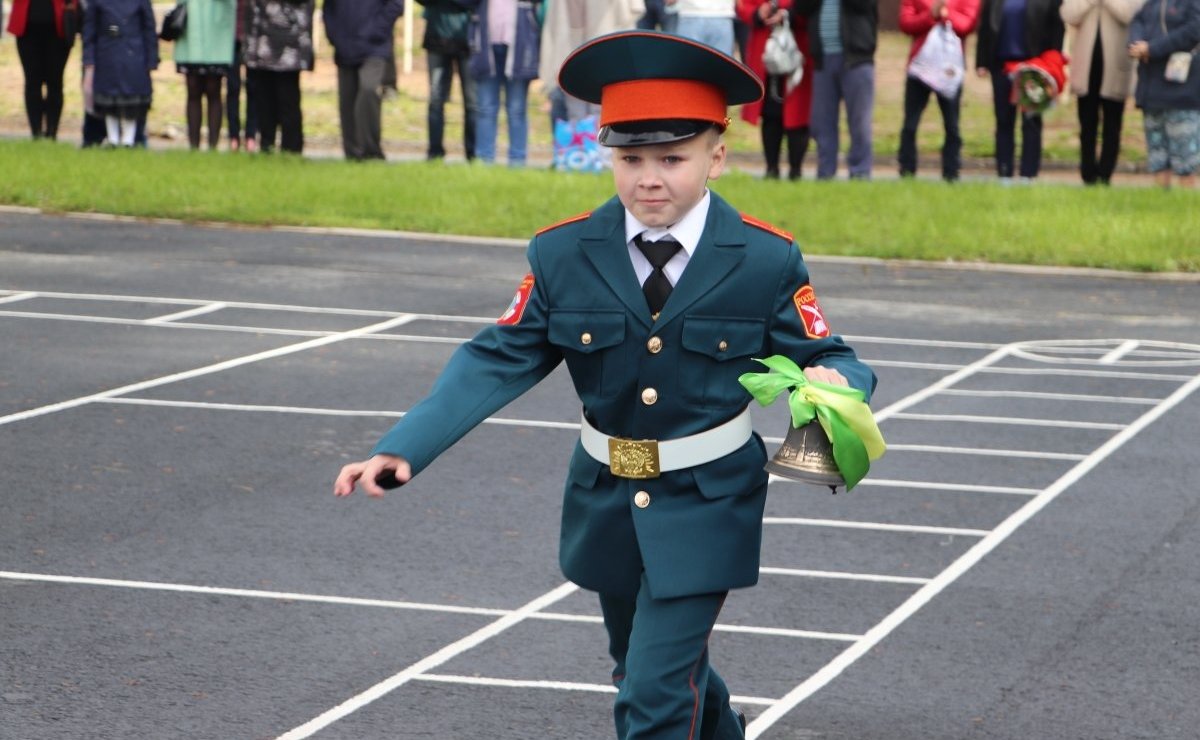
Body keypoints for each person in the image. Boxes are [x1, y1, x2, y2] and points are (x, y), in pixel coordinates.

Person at [333, 30, 877, 740]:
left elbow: (828, 349)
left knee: (650, 696)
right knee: (645, 670)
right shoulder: (563, 252)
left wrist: (837, 382)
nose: (650, 178)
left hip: (708, 501)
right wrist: (405, 446)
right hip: (609, 496)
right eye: (630, 158)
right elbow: (500, 355)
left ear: (718, 153)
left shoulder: (763, 260)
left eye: (673, 158)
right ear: (605, 152)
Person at [974, 0, 1064, 181]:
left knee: (1031, 122)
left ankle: (1028, 175)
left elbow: (1057, 29)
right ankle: (1004, 173)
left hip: (1034, 67)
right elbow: (985, 28)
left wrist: (1052, 62)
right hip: (1002, 67)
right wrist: (981, 61)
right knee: (1004, 120)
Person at [795, 0, 879, 179]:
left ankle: (860, 173)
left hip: (857, 59)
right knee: (822, 123)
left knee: (859, 122)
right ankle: (825, 173)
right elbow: (801, 8)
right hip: (823, 60)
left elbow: (864, 5)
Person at [897, 0, 980, 182]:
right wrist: (930, 16)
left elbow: (967, 24)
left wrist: (946, 13)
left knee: (952, 125)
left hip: (949, 70)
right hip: (920, 68)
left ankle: (951, 173)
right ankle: (906, 171)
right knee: (910, 124)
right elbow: (905, 23)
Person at [737, 0, 813, 179]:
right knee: (770, 113)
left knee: (798, 114)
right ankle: (772, 168)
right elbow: (743, 7)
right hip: (766, 50)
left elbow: (809, 8)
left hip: (795, 49)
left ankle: (796, 170)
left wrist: (787, 14)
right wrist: (758, 13)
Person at [1128, 0, 1200, 189]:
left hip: (1182, 93)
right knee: (1158, 156)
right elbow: (1137, 21)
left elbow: (1194, 29)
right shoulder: (1150, 3)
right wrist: (1136, 45)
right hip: (1152, 91)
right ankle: (1161, 202)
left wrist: (1153, 48)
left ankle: (1186, 203)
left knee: (1186, 159)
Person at [323, 0, 406, 160]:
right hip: (344, 45)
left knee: (369, 90)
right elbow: (328, 8)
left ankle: (371, 151)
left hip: (375, 46)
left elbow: (396, 4)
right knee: (347, 99)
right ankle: (353, 153)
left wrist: (377, 29)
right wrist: (333, 35)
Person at [464, 0, 543, 167]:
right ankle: (485, 160)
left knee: (517, 109)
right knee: (485, 108)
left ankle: (517, 161)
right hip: (486, 46)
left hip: (519, 45)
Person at [242, 0, 314, 153]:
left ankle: (292, 149)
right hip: (261, 43)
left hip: (289, 47)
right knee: (264, 102)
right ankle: (267, 146)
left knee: (288, 101)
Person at [82, 0, 157, 146]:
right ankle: (113, 139)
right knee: (109, 99)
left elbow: (149, 29)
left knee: (132, 99)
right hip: (107, 54)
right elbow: (89, 31)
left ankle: (129, 140)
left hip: (135, 55)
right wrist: (88, 59)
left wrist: (151, 59)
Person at [417, 0, 477, 161]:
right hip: (436, 38)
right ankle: (434, 153)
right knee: (436, 100)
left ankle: (472, 153)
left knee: (472, 102)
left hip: (467, 39)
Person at [7, 0, 76, 140]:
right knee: (32, 81)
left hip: (58, 28)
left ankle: (52, 132)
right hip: (27, 29)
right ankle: (36, 133)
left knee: (55, 81)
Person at [173, 0, 236, 150]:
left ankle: (213, 145)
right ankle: (193, 145)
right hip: (190, 32)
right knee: (192, 89)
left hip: (216, 33)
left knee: (213, 89)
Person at [226, 0, 259, 152]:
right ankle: (233, 136)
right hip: (230, 40)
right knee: (233, 88)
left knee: (253, 88)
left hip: (254, 39)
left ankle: (250, 135)